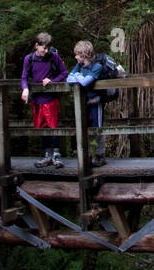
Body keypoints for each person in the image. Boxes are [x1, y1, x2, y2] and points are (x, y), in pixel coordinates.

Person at [21, 32, 68, 169]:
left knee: (53, 126)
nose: (46, 51)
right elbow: (24, 77)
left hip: (51, 98)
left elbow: (64, 73)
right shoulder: (28, 59)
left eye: (48, 48)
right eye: (43, 48)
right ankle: (47, 154)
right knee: (42, 127)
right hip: (36, 99)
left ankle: (56, 155)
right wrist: (25, 89)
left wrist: (52, 81)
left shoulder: (54, 57)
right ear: (37, 46)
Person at [66, 40, 108, 167]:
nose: (75, 57)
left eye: (77, 55)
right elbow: (69, 79)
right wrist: (80, 77)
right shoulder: (79, 65)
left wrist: (78, 78)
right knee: (85, 128)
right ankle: (87, 155)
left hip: (96, 102)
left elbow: (85, 82)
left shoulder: (97, 67)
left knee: (98, 129)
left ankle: (100, 155)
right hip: (84, 102)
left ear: (84, 55)